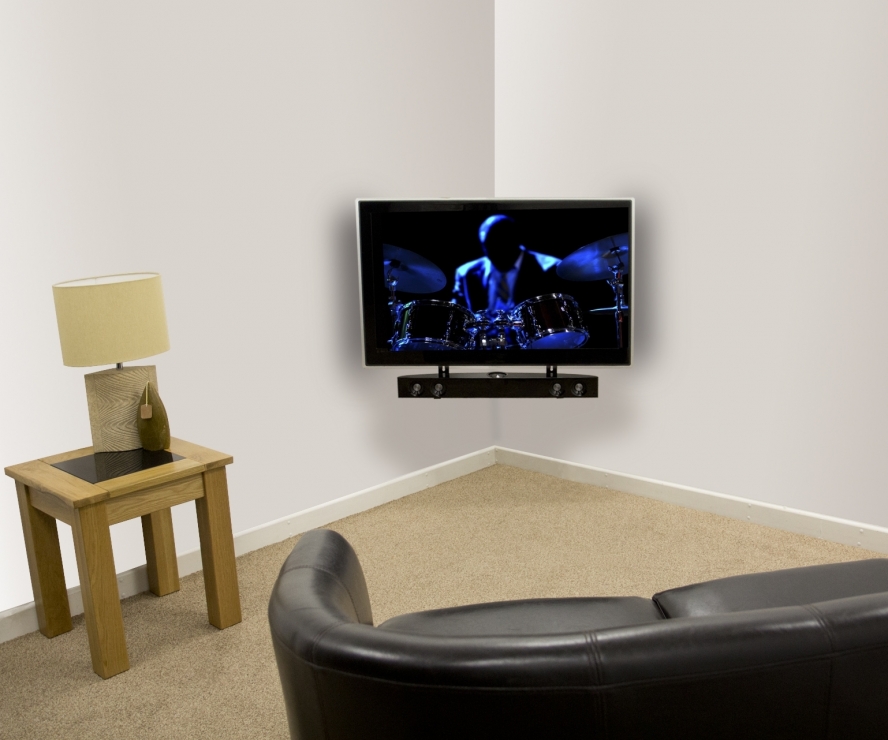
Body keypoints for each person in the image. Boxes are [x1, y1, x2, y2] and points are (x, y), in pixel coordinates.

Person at [452, 214, 560, 318]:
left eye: (500, 244)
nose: (494, 252)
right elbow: (457, 317)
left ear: (516, 240)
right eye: (488, 245)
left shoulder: (550, 269)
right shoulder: (465, 274)